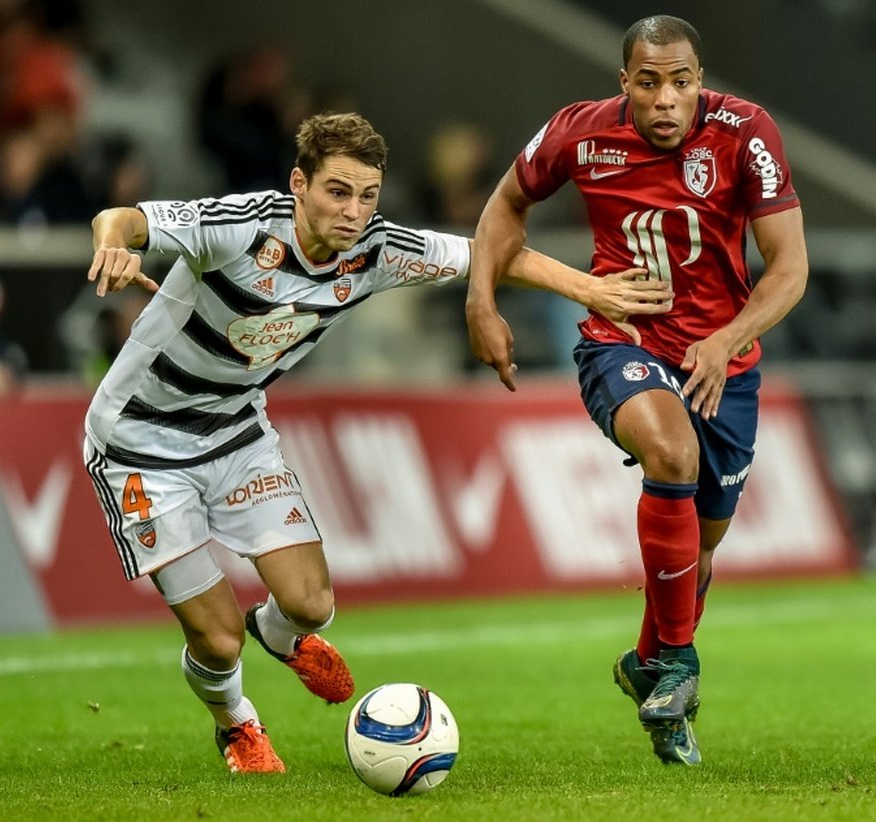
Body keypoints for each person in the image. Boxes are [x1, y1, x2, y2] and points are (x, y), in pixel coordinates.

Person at [83, 110, 672, 774]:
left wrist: (590, 288)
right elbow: (125, 218)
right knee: (217, 642)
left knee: (312, 606)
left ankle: (278, 635)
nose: (355, 211)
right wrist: (115, 243)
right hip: (138, 442)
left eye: (368, 195)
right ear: (298, 184)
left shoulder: (377, 249)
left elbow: (492, 254)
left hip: (236, 431)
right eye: (338, 191)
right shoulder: (241, 226)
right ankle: (238, 724)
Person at [466, 15, 808, 766]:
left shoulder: (746, 134)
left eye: (680, 81)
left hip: (725, 360)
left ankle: (651, 666)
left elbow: (789, 268)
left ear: (699, 81)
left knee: (702, 550)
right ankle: (679, 666)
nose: (665, 98)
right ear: (625, 82)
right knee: (670, 450)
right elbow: (503, 207)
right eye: (648, 82)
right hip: (622, 340)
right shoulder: (580, 134)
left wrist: (726, 338)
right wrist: (480, 302)